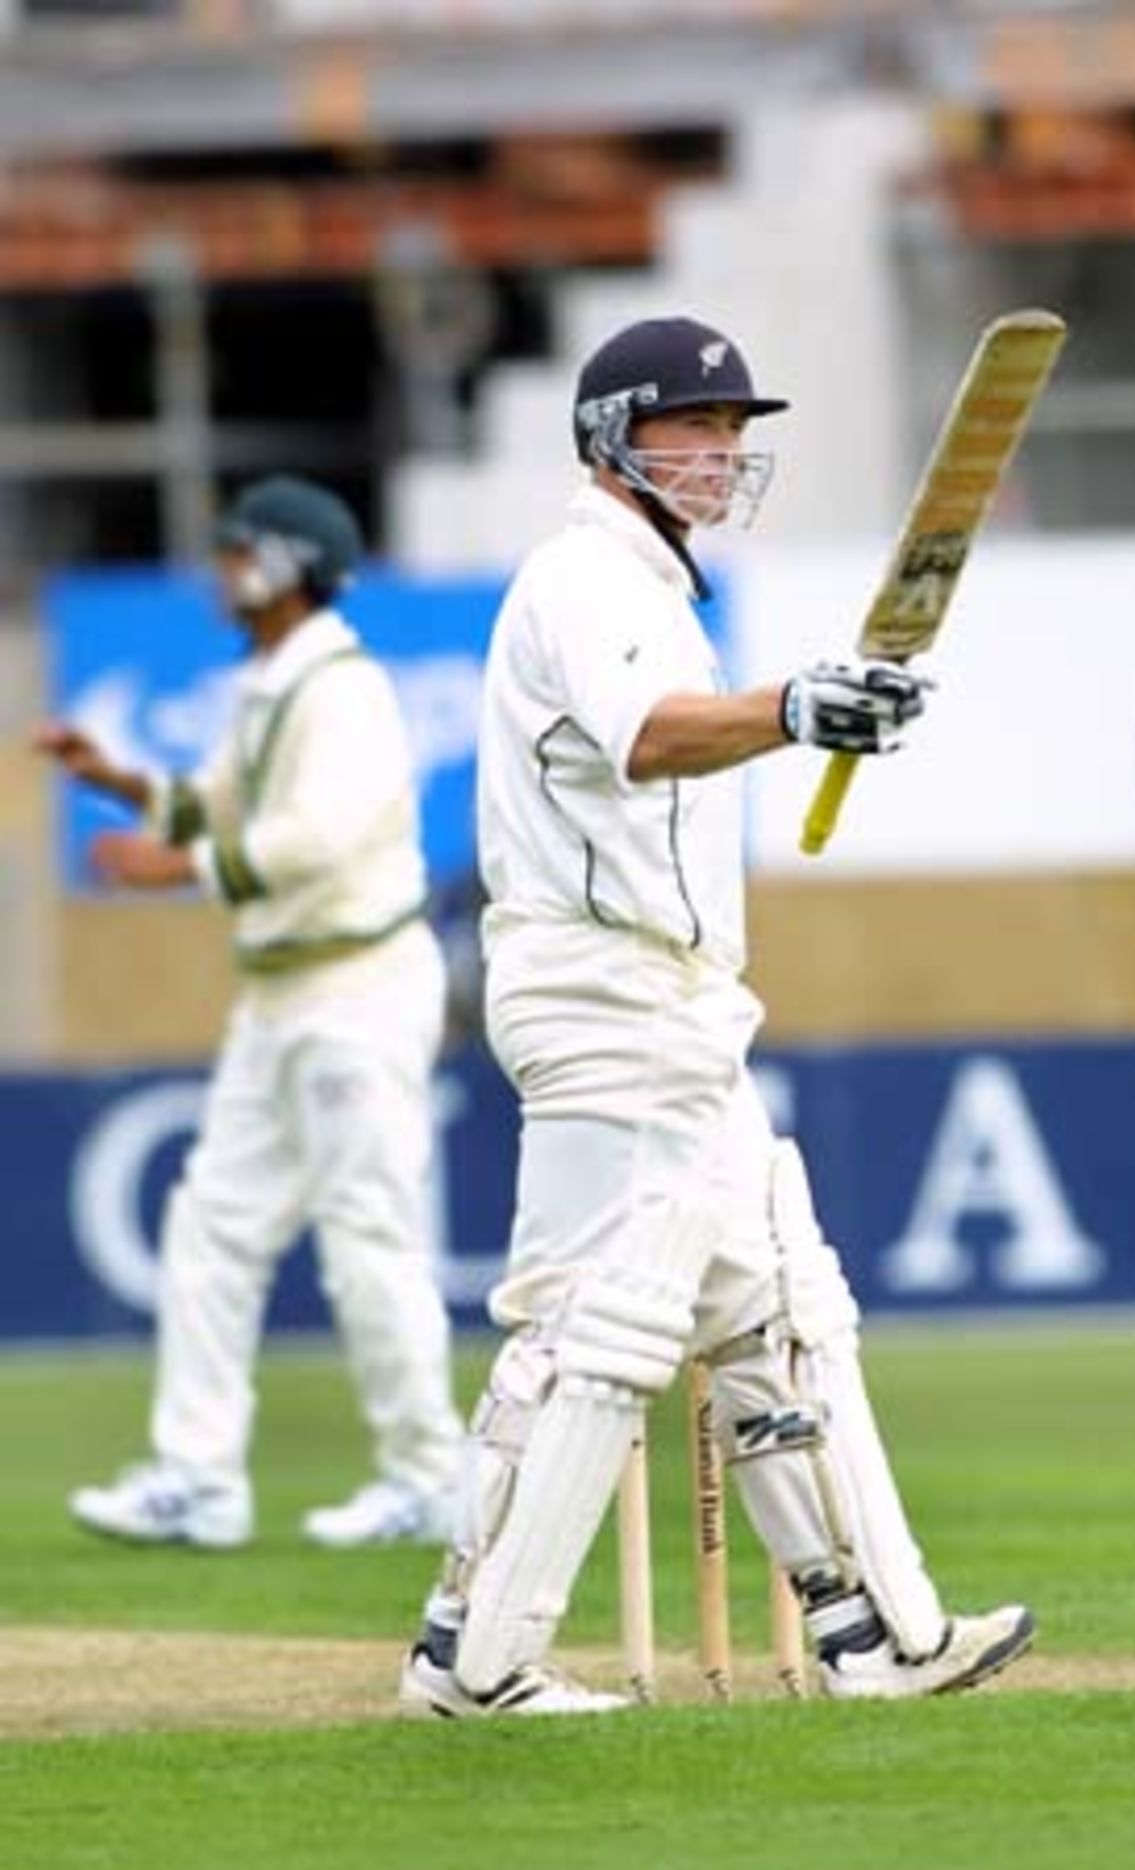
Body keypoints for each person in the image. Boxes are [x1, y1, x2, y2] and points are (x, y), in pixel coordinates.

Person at [398, 317, 1035, 1717]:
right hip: (600, 989)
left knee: (778, 1310)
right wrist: (795, 704)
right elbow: (650, 732)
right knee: (596, 1327)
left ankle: (874, 1631)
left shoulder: (655, 589)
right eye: (699, 427)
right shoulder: (582, 578)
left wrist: (807, 708)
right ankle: (475, 1656)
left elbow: (699, 715)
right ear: (616, 434)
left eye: (738, 431)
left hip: (677, 1004)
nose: (725, 452)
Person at [36, 475, 464, 1550]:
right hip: (281, 993)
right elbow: (217, 802)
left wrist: (168, 868)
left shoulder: (345, 688)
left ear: (282, 564)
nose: (225, 573)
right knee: (211, 1226)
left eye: (239, 554)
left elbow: (316, 838)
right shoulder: (271, 682)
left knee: (369, 1236)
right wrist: (125, 784)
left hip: (355, 990)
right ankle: (199, 1476)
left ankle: (430, 1477)